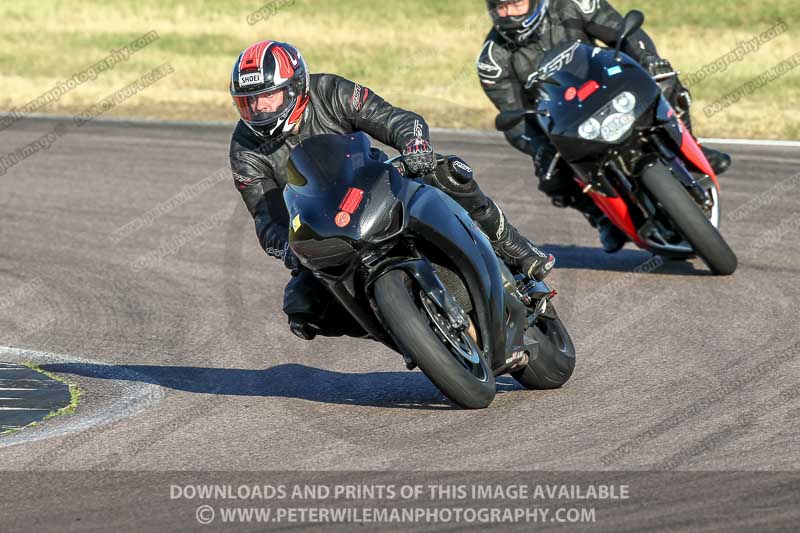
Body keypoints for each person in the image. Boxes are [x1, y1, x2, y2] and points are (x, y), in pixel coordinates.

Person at [229, 41, 555, 340]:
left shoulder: (330, 91)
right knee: (302, 309)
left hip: (377, 187)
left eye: (267, 96)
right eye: (249, 102)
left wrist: (414, 145)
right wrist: (287, 248)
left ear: (296, 87)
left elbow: (394, 119)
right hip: (328, 228)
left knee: (447, 172)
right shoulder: (245, 149)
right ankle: (401, 330)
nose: (259, 109)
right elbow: (266, 216)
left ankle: (516, 249)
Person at [477, 0, 732, 253]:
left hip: (610, 84)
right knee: (551, 175)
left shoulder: (575, 5)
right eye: (502, 8)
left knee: (665, 82)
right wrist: (538, 147)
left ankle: (692, 147)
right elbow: (514, 117)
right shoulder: (493, 61)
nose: (509, 14)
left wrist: (648, 59)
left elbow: (622, 32)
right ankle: (601, 217)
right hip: (565, 120)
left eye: (516, 4)